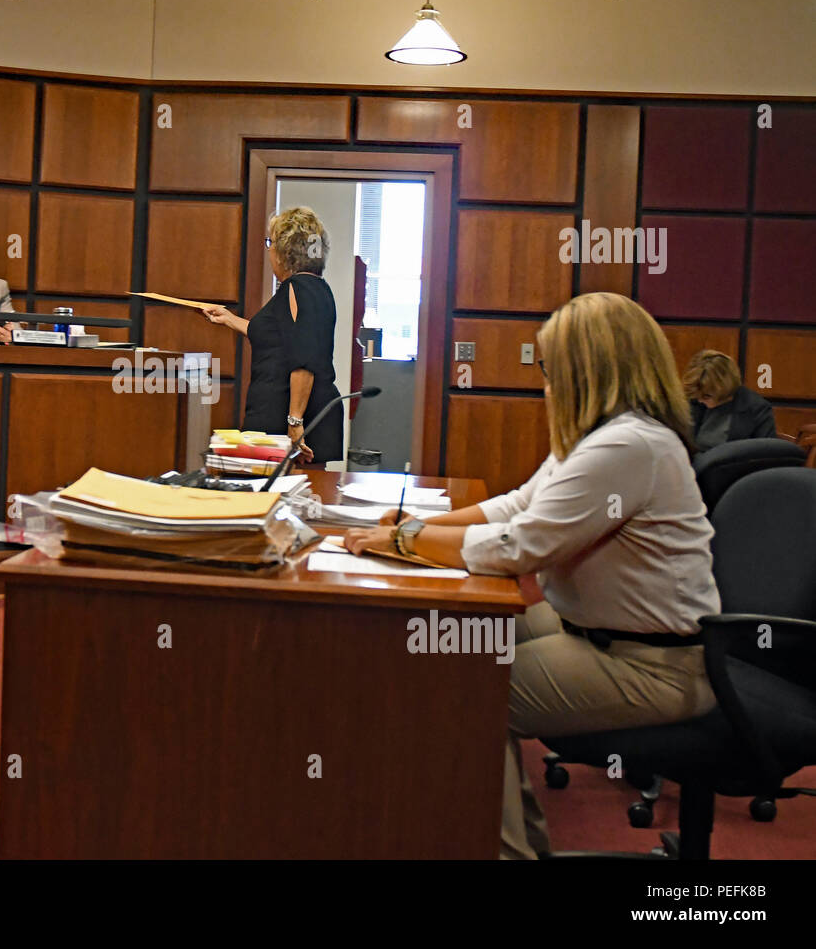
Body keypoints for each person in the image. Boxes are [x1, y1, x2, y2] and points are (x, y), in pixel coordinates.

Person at [343, 292, 721, 860]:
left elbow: (521, 548)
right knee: (450, 645)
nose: (543, 381)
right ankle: (521, 842)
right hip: (596, 631)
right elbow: (518, 505)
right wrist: (420, 524)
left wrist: (405, 540)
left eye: (549, 368)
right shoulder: (601, 436)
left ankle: (504, 849)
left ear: (586, 369)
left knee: (467, 690)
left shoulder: (627, 446)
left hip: (652, 665)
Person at [202, 207, 343, 464]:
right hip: (283, 415)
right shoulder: (312, 288)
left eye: (271, 242)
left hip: (286, 420)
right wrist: (230, 319)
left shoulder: (298, 289)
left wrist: (295, 422)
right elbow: (279, 339)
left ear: (285, 250)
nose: (269, 250)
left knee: (286, 497)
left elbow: (305, 360)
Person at [683, 349, 776, 453]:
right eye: (697, 395)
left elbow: (767, 456)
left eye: (706, 396)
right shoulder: (694, 401)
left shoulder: (757, 409)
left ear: (723, 389)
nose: (699, 400)